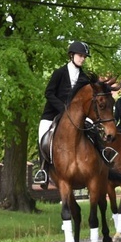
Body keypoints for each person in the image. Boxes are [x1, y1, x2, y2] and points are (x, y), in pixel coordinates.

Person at [33, 40, 91, 185]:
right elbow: (49, 93)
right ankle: (43, 171)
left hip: (77, 116)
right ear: (71, 55)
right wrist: (63, 109)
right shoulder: (59, 73)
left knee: (94, 129)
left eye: (84, 56)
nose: (83, 59)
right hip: (53, 113)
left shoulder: (84, 78)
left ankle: (103, 160)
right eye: (80, 55)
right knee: (42, 137)